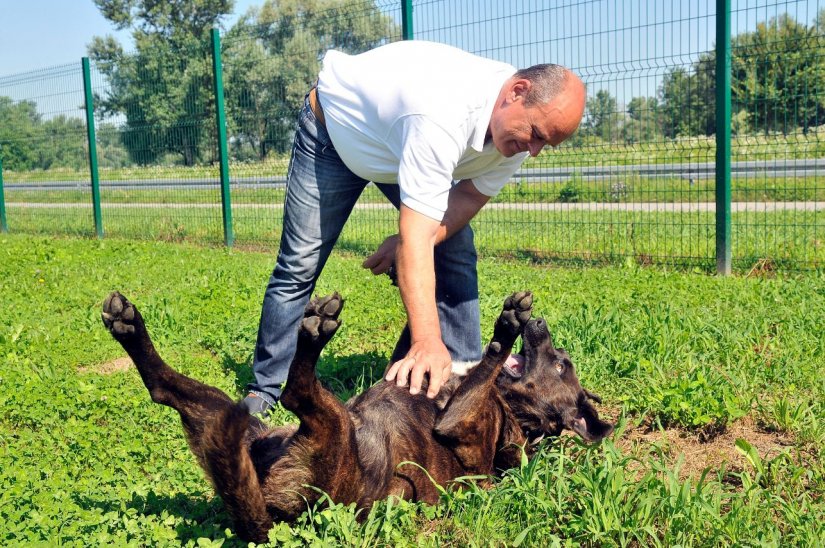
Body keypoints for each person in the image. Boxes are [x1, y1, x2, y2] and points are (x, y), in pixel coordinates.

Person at [244, 40, 586, 416]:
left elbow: (467, 198)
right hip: (336, 135)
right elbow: (420, 230)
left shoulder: (515, 135)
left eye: (545, 144)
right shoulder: (442, 111)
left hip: (397, 149)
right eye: (536, 135)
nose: (533, 151)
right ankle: (265, 389)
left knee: (454, 244)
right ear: (517, 92)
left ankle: (457, 377)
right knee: (300, 263)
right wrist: (424, 337)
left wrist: (409, 241)